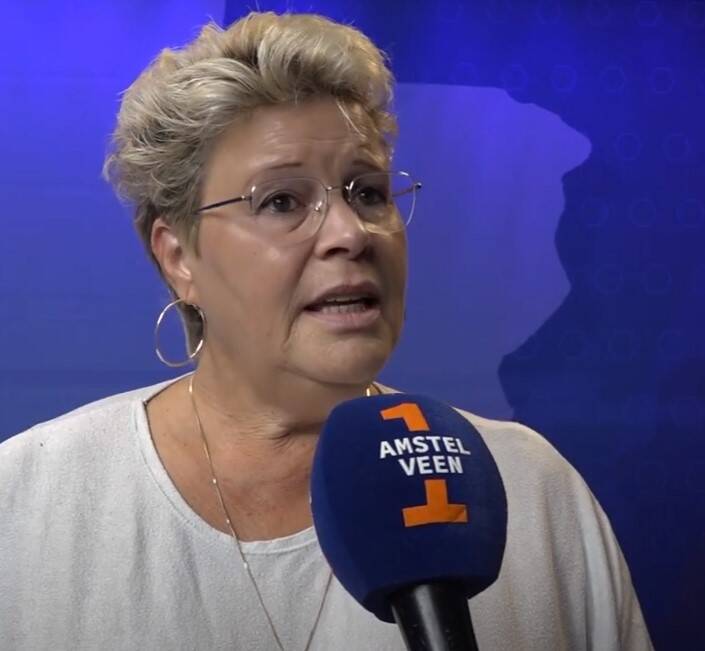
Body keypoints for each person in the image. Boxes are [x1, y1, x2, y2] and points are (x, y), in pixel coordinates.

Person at [0, 11, 652, 650]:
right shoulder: (27, 500)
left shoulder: (530, 489)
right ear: (179, 258)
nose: (349, 233)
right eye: (281, 201)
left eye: (367, 192)